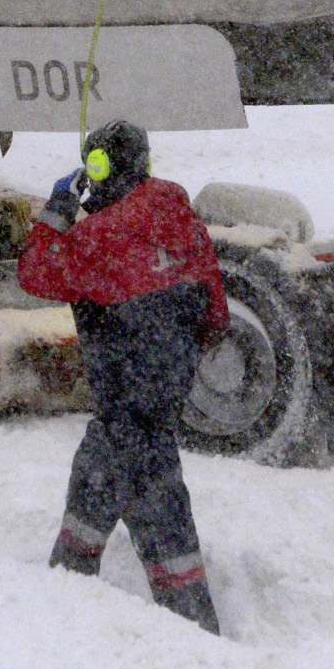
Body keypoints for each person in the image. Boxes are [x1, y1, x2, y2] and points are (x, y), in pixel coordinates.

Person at [19, 118, 228, 633]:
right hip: (156, 404)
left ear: (103, 169)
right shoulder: (182, 220)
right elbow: (215, 315)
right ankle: (85, 592)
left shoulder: (102, 236)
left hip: (126, 408)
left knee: (135, 494)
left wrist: (58, 211)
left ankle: (175, 628)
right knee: (121, 486)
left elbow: (35, 272)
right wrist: (169, 365)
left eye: (96, 166)